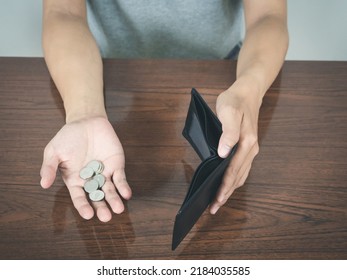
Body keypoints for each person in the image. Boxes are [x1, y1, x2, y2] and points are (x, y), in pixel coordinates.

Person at [40, 0, 289, 222]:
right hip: (100, 74)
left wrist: (249, 91)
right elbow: (63, 12)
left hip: (227, 72)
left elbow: (268, 15)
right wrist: (84, 111)